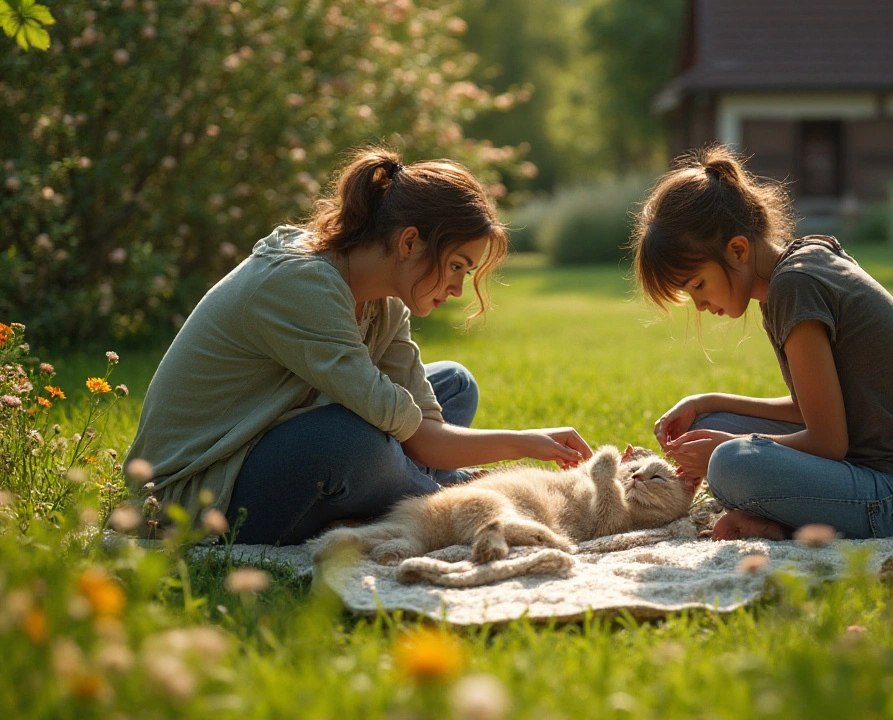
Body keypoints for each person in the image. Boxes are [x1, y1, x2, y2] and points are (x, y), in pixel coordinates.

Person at [124, 147, 592, 545]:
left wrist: (529, 441)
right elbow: (421, 440)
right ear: (410, 242)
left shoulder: (383, 305)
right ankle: (445, 501)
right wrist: (521, 446)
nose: (457, 288)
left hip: (274, 439)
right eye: (456, 266)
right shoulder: (301, 284)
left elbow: (425, 428)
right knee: (351, 444)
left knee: (453, 385)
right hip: (196, 494)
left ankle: (407, 496)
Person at [630, 145, 893, 542]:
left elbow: (826, 440)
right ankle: (781, 522)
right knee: (709, 428)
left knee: (728, 462)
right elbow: (813, 410)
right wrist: (708, 403)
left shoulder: (795, 286)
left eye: (698, 285)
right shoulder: (792, 273)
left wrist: (729, 448)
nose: (700, 306)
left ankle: (785, 524)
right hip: (873, 472)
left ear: (737, 250)